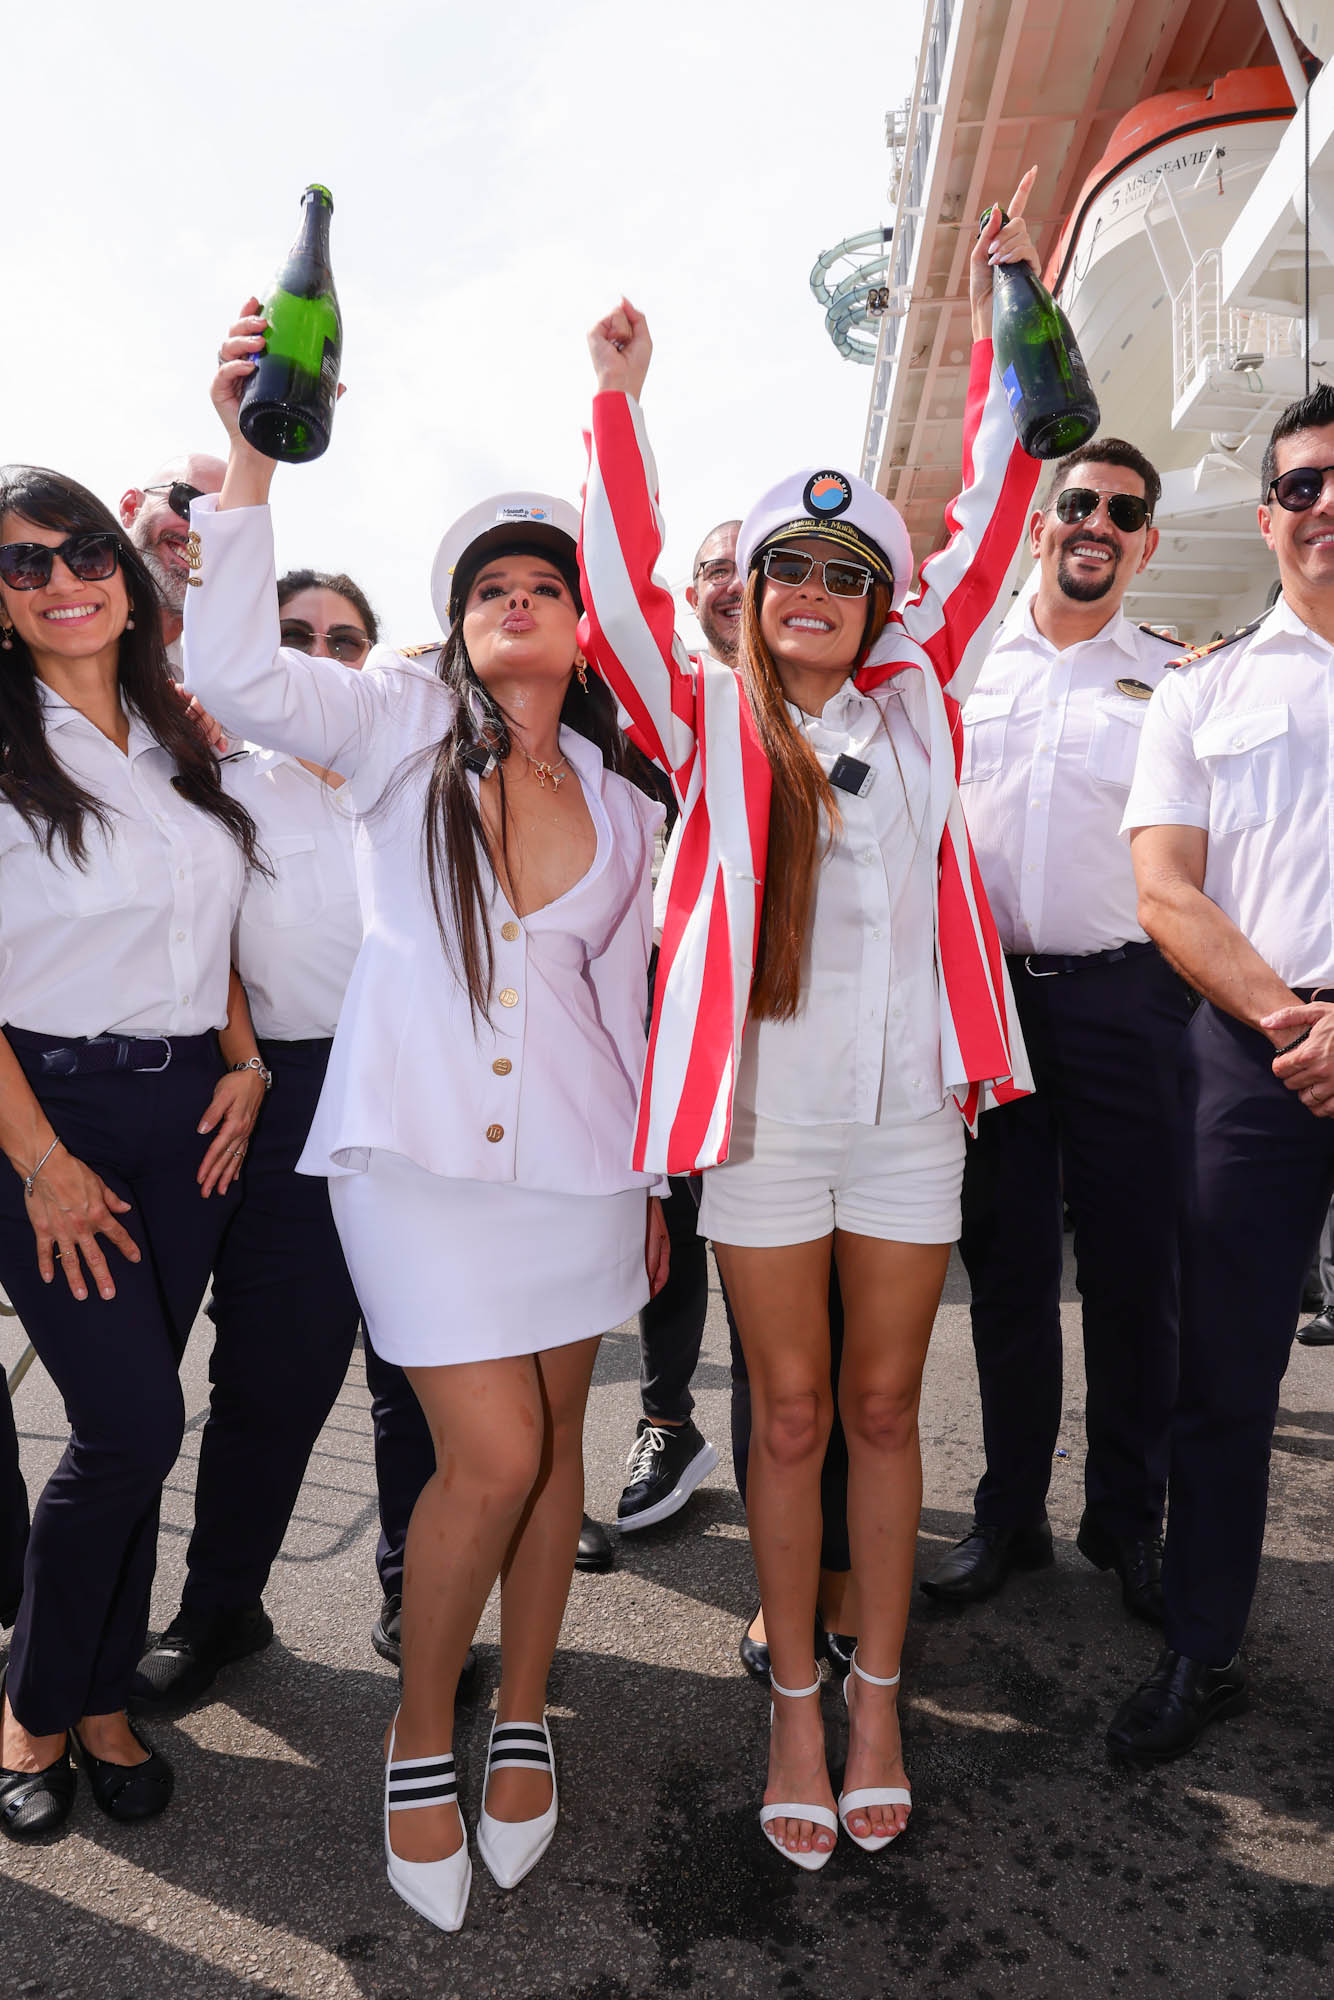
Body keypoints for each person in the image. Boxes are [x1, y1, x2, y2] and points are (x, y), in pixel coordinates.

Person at [184, 300, 669, 1933]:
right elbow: (233, 666)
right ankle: (419, 1729)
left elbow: (626, 1003)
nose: (517, 602)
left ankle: (520, 1711)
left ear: (580, 628)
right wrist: (252, 435)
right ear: (455, 631)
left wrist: (657, 1181)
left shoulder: (623, 801)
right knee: (492, 1455)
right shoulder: (391, 736)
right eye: (488, 588)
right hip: (412, 1170)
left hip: (583, 1177)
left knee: (555, 1464)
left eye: (545, 585)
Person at [579, 173, 1042, 1869]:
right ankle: (790, 1689)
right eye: (786, 564)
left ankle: (874, 1690)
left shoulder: (920, 703)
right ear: (754, 589)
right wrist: (619, 406)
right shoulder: (706, 721)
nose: (812, 589)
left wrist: (1009, 313)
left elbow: (993, 516)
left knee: (874, 1407)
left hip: (909, 1111)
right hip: (765, 1124)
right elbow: (623, 594)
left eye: (846, 571)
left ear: (883, 601)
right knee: (778, 1414)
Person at [0, 464, 268, 1844]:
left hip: (189, 1127)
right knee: (131, 1425)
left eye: (79, 551)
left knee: (135, 1427)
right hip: (50, 1119)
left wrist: (244, 1058)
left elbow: (210, 927)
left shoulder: (180, 742)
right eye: (23, 566)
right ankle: (36, 1707)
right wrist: (42, 1163)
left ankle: (105, 1698)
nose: (60, 581)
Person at [132, 568, 442, 1710]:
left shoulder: (428, 773)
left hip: (426, 1086)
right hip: (289, 1088)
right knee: (271, 1369)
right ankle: (221, 1605)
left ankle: (422, 1595)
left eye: (342, 638)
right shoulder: (208, 776)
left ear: (369, 658)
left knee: (423, 1370)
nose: (319, 651)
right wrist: (251, 1060)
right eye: (293, 634)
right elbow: (187, 936)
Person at [921, 440, 1192, 1622]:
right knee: (1008, 1269)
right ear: (1038, 525)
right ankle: (1009, 1513)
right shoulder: (963, 664)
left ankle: (1127, 1519)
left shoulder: (1179, 678)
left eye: (1121, 512)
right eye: (1074, 502)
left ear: (1144, 542)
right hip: (988, 999)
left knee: (1137, 1273)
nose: (1095, 522)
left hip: (1126, 998)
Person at [1108, 382, 1334, 1762]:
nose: (1321, 506)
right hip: (1256, 1062)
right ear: (1264, 519)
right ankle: (1202, 1645)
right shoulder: (1198, 689)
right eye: (1298, 485)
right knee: (1224, 1377)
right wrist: (1298, 1029)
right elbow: (1164, 893)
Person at [614, 522, 737, 1538]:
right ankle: (666, 1418)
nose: (735, 583)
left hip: (792, 1018)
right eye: (713, 567)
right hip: (668, 1003)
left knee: (783, 1251)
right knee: (676, 1230)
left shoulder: (860, 701)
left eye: (758, 561)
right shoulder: (655, 710)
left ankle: (786, 1439)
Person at [119, 456, 227, 673]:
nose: (201, 532)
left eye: (224, 524)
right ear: (131, 508)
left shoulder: (208, 687)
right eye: (187, 501)